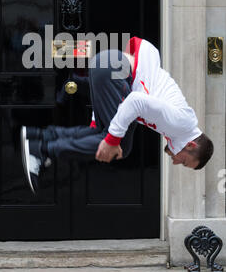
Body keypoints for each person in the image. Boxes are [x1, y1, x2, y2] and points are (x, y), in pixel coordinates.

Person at [20, 37, 214, 194]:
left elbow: (125, 103)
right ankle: (42, 149)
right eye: (185, 161)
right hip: (114, 70)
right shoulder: (181, 123)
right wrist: (113, 140)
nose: (176, 162)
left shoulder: (178, 125)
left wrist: (98, 121)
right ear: (191, 145)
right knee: (120, 144)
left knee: (103, 133)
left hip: (108, 66)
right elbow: (135, 100)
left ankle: (39, 136)